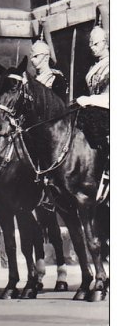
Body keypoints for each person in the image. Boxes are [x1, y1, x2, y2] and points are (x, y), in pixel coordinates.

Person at [75, 24, 109, 200]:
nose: (92, 48)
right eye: (91, 44)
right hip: (93, 111)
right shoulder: (92, 69)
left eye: (96, 44)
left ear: (107, 43)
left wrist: (90, 100)